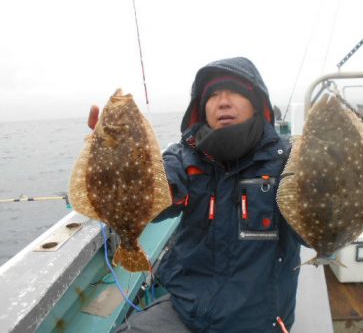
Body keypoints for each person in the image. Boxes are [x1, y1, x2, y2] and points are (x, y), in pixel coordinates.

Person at [90, 57, 305, 333]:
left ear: (257, 103)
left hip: (259, 322)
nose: (223, 101)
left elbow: (313, 229)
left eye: (235, 92)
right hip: (185, 313)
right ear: (202, 108)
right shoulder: (183, 157)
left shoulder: (287, 161)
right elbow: (160, 193)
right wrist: (117, 157)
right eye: (213, 95)